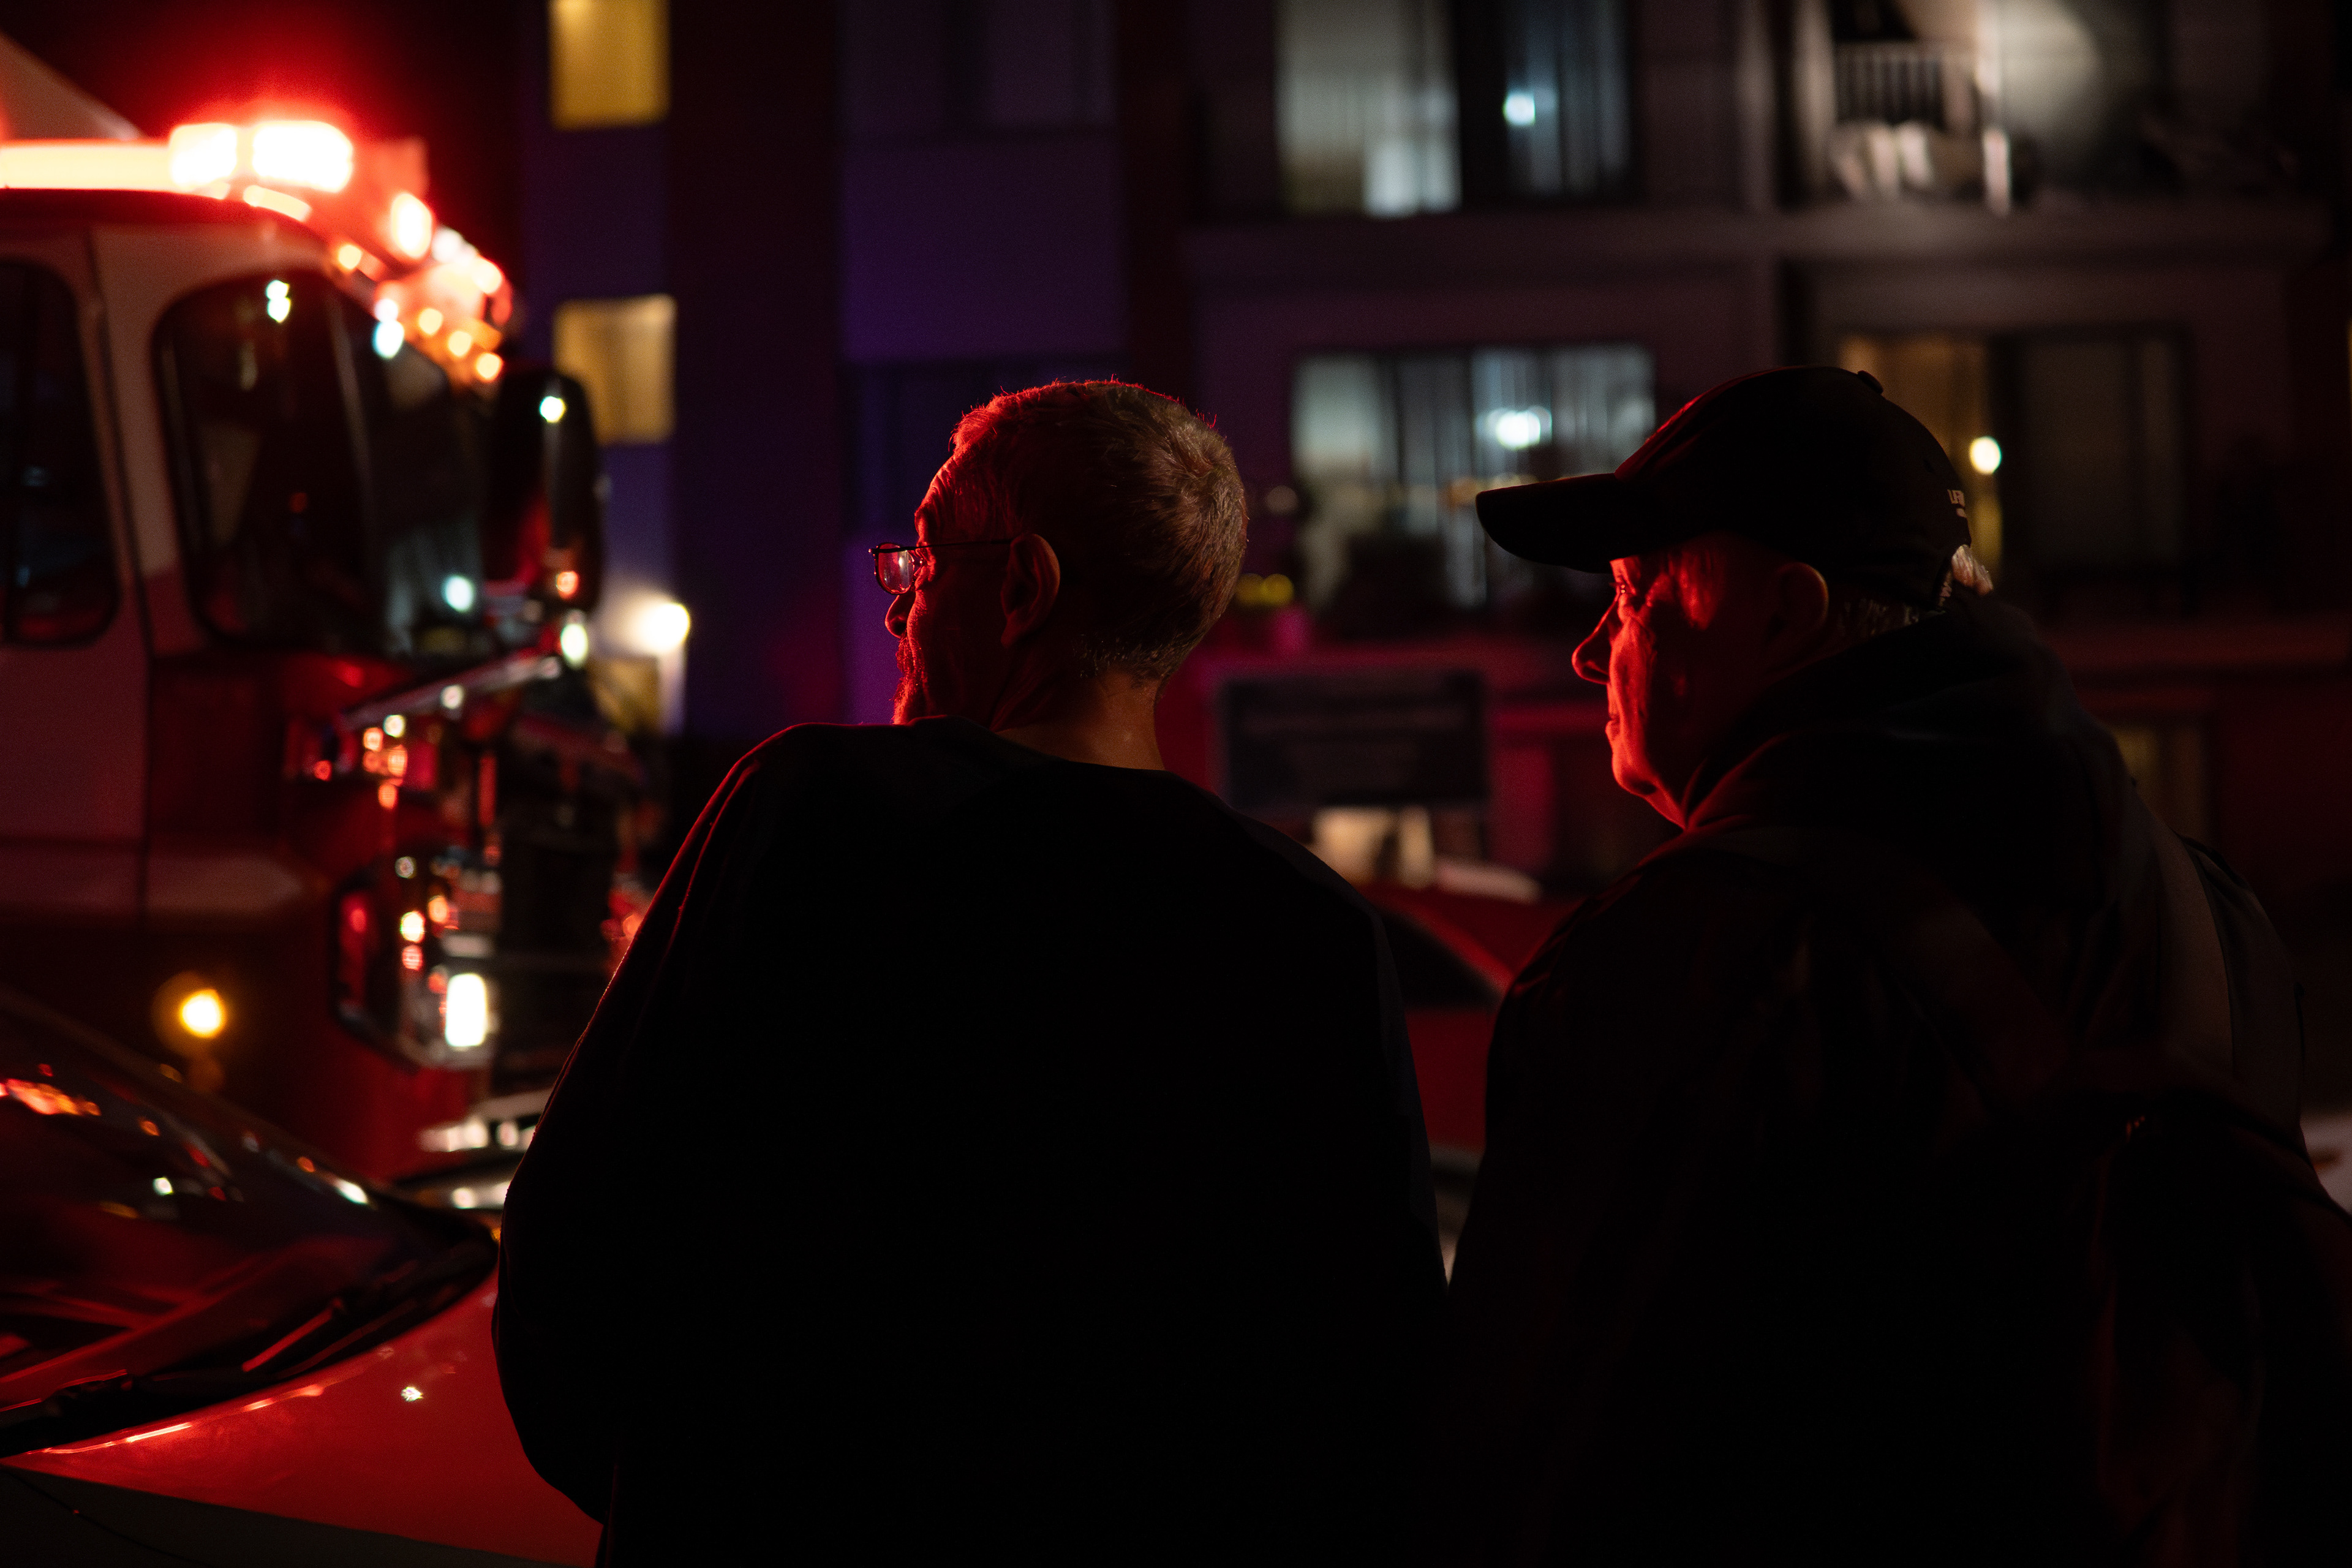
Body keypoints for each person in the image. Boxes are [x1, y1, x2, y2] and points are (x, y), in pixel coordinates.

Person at [497, 380, 1444, 1564]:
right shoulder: (1310, 926)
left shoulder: (818, 815)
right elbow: (1370, 1355)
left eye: (926, 566)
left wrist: (679, 1494)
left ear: (1024, 587)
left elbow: (582, 1234)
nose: (900, 614)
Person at [1430, 367, 2352, 1564]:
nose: (1592, 650)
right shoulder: (2211, 914)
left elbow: (1541, 1443)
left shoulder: (1691, 949)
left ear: (1788, 612)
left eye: (1635, 589)